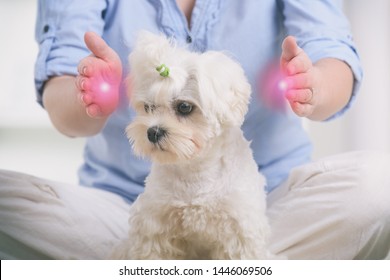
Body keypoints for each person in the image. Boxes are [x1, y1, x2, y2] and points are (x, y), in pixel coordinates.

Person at [0, 0, 389, 259]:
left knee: (379, 184)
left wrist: (315, 84)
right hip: (120, 205)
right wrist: (89, 98)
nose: (157, 124)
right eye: (149, 108)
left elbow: (332, 52)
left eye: (182, 108)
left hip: (272, 203)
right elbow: (63, 101)